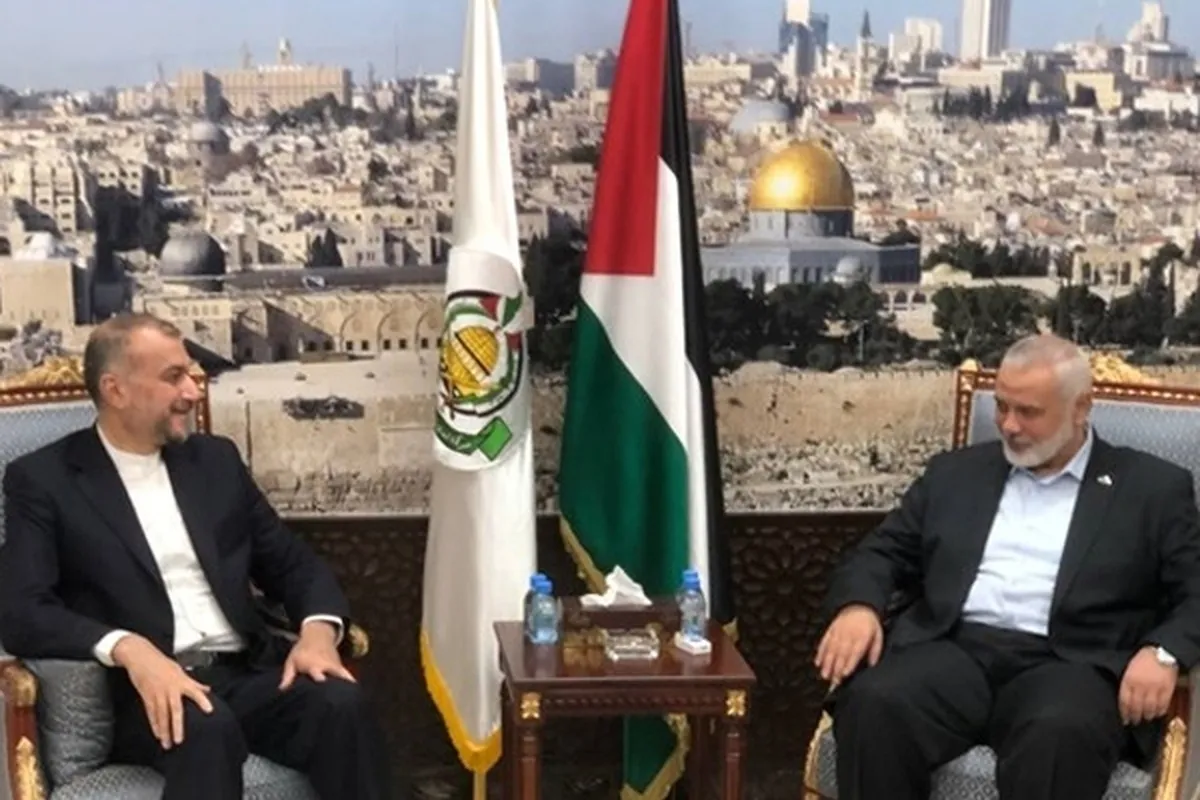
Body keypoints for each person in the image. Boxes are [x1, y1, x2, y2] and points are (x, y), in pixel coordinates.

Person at [0, 313, 390, 800]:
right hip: (143, 694)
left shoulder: (215, 461)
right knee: (205, 727)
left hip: (245, 673)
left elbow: (293, 564)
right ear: (116, 390)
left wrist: (317, 634)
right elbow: (22, 611)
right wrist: (129, 648)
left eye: (190, 373)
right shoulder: (45, 480)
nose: (192, 391)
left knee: (340, 704)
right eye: (173, 377)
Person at [815, 333, 1200, 800]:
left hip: (1072, 663)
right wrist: (859, 606)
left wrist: (1164, 652)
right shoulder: (956, 473)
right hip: (954, 649)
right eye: (1001, 406)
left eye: (1028, 412)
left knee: (1058, 732)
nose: (1009, 425)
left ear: (1080, 408)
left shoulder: (1151, 488)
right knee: (876, 702)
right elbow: (883, 551)